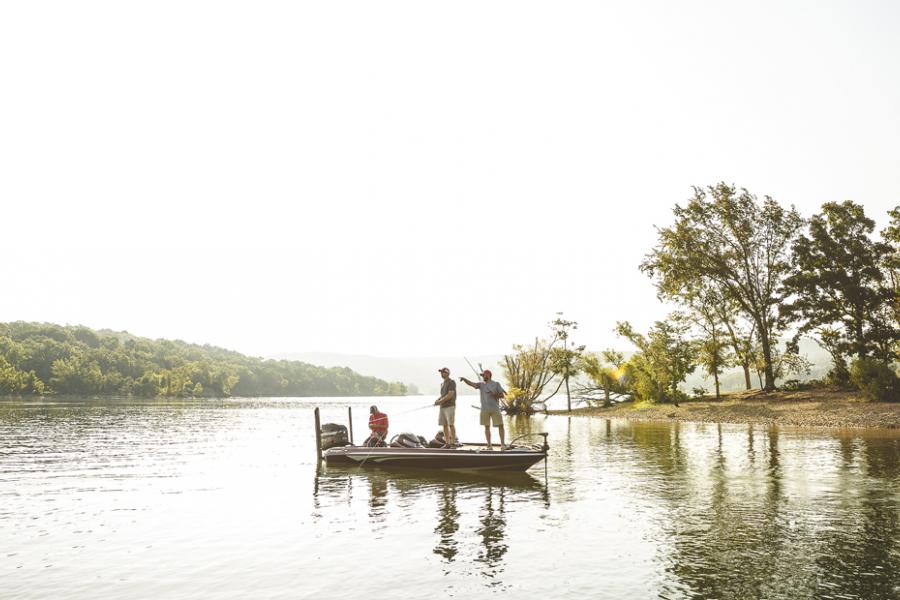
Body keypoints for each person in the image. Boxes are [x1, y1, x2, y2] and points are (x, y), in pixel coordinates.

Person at [460, 369, 506, 450]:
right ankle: (489, 445)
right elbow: (471, 384)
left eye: (483, 375)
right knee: (486, 427)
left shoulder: (496, 384)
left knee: (501, 426)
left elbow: (502, 395)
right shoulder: (481, 385)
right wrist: (464, 379)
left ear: (488, 375)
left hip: (495, 409)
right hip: (484, 410)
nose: (482, 377)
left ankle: (502, 445)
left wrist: (495, 394)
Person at [433, 367, 457, 447]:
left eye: (443, 372)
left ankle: (453, 443)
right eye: (441, 372)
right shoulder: (442, 384)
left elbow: (450, 395)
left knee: (451, 424)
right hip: (442, 407)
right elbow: (443, 395)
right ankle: (447, 443)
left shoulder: (451, 382)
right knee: (444, 425)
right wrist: (438, 400)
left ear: (447, 373)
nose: (442, 374)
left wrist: (440, 401)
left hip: (450, 406)